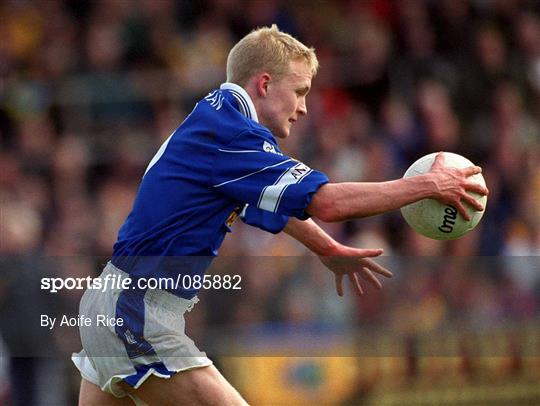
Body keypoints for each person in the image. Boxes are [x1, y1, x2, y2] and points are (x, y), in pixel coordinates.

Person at [73, 25, 488, 405]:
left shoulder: (217, 116)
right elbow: (328, 202)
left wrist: (325, 247)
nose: (304, 107)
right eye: (301, 90)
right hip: (136, 310)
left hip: (110, 304)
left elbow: (266, 204)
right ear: (265, 84)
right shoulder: (233, 133)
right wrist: (430, 185)